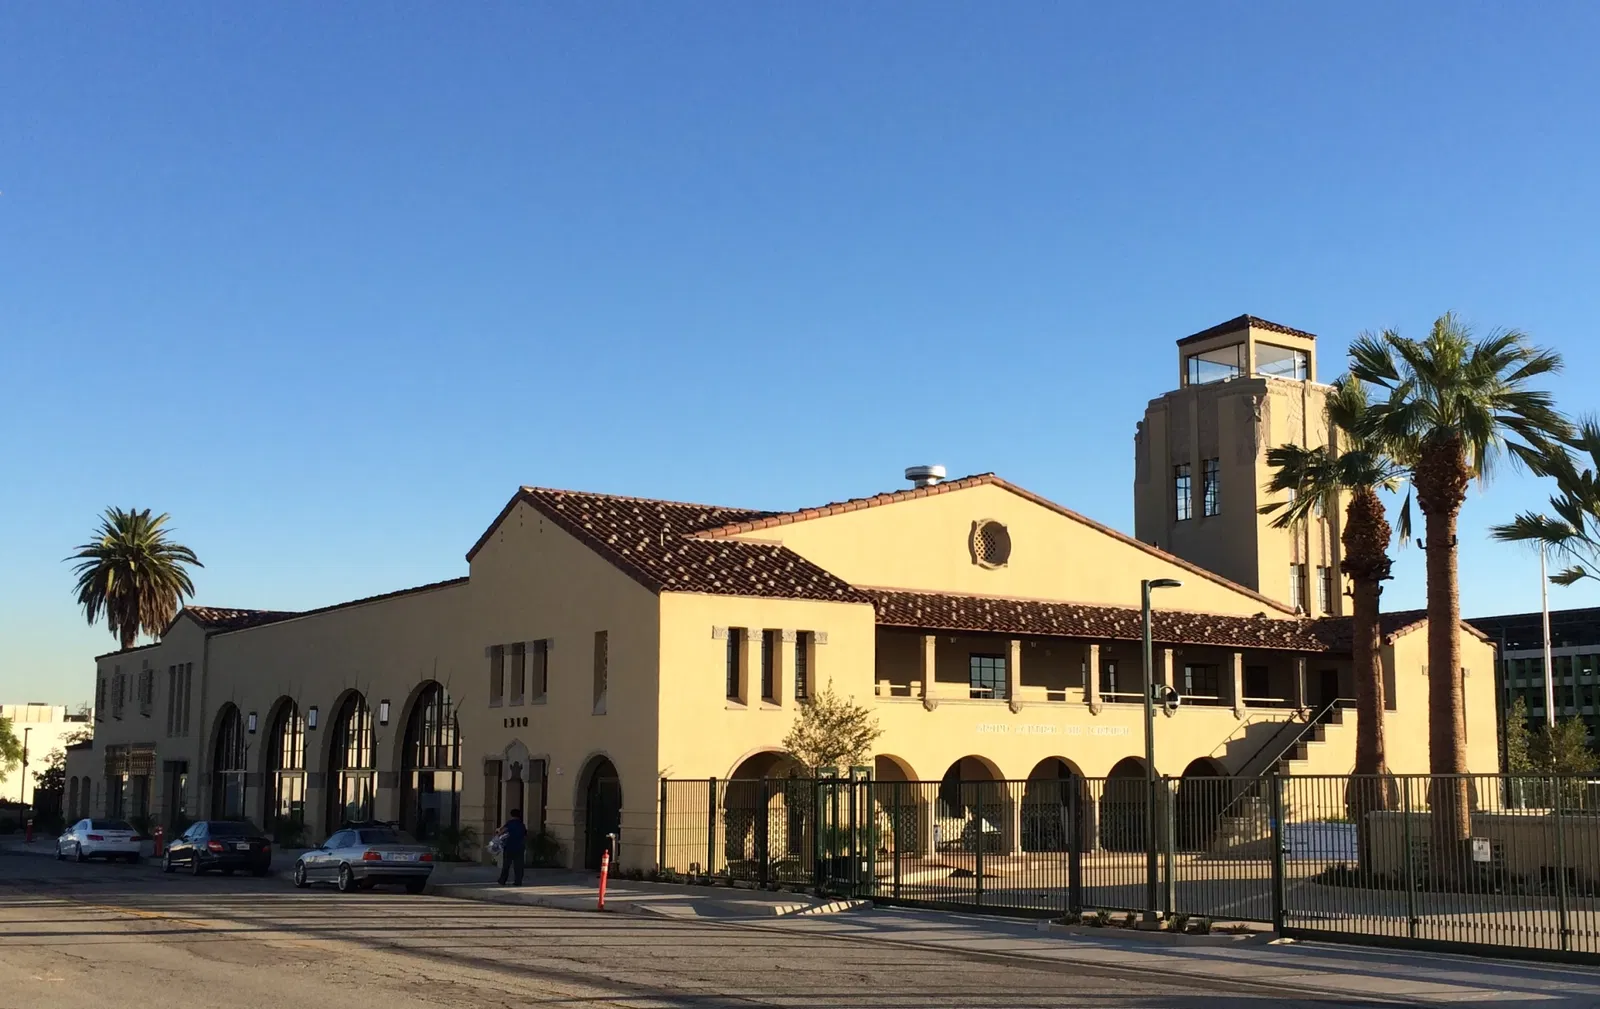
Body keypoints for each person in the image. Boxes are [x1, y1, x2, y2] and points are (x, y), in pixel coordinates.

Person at [496, 808, 527, 886]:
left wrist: (498, 834)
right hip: (519, 847)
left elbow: (501, 832)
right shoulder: (521, 825)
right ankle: (518, 881)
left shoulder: (509, 823)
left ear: (511, 815)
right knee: (519, 866)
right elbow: (525, 835)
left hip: (509, 847)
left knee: (506, 865)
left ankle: (502, 880)